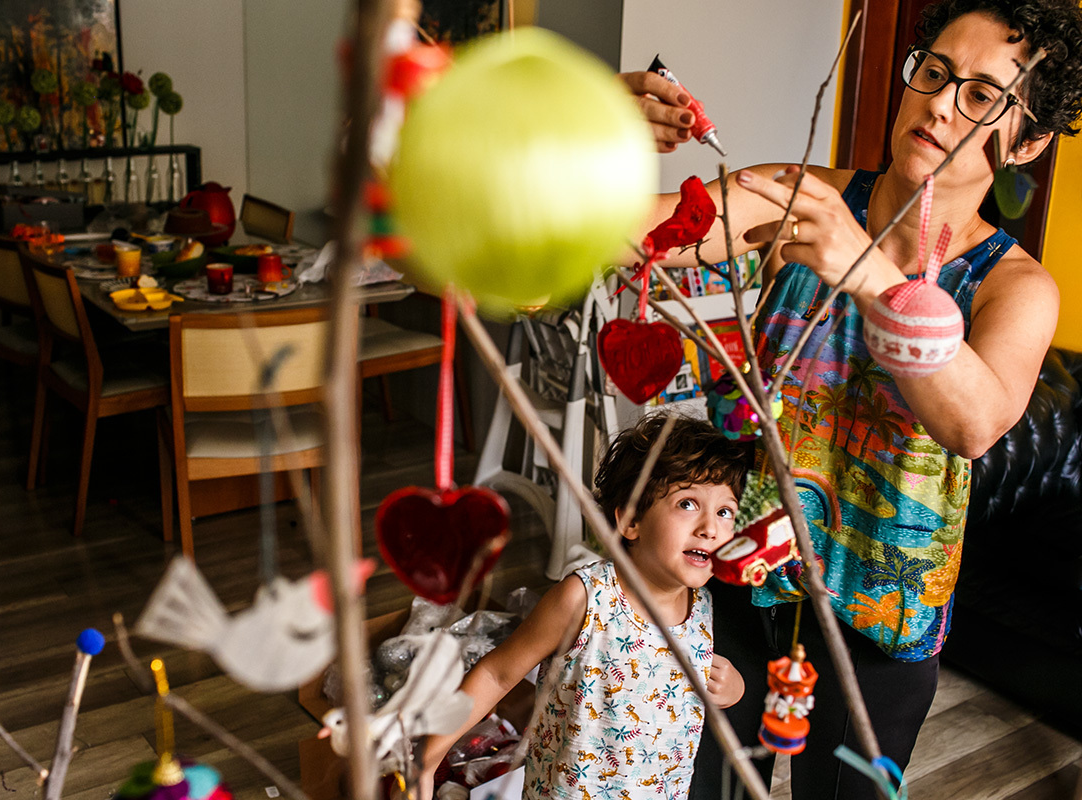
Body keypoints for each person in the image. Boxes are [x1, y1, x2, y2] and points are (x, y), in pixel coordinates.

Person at [619, 1, 1082, 797]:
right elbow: (630, 234)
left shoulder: (1014, 287)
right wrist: (605, 136)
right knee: (702, 785)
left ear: (1028, 143)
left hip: (880, 617)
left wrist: (867, 271)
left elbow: (972, 422)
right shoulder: (799, 198)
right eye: (933, 71)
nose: (940, 104)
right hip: (738, 573)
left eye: (982, 96)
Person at [418, 415, 749, 799]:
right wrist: (428, 757)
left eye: (725, 511)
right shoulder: (586, 599)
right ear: (630, 520)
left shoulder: (702, 608)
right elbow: (495, 675)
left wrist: (734, 688)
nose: (710, 528)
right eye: (687, 504)